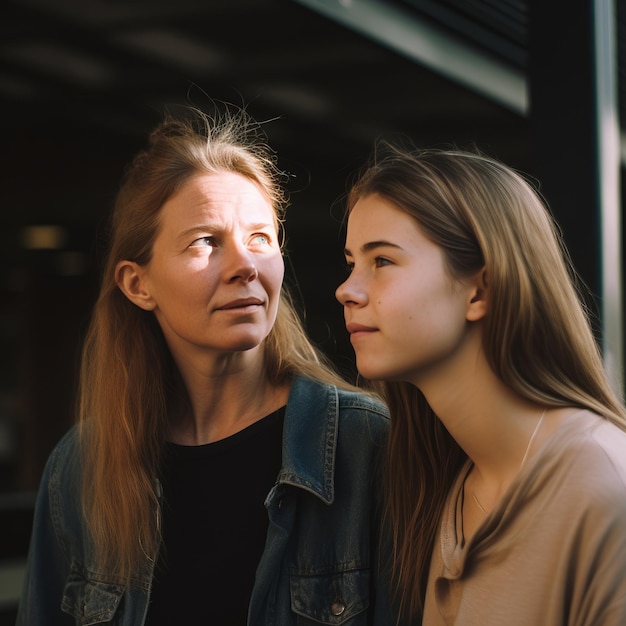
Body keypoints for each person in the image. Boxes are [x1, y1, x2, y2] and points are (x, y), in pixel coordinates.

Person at [16, 104, 404, 626]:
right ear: (138, 284)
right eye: (206, 242)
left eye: (260, 239)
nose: (245, 265)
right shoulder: (80, 470)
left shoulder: (365, 446)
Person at [335, 142, 626, 625]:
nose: (347, 289)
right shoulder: (453, 488)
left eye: (381, 261)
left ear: (481, 289)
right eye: (351, 263)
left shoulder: (601, 486)